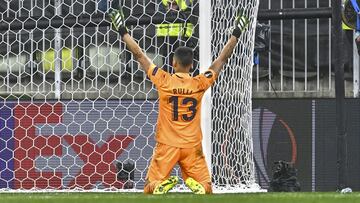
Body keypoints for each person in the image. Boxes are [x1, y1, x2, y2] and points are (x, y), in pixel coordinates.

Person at [109, 6, 249, 194]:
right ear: (192, 65)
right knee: (207, 189)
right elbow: (222, 59)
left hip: (167, 145)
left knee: (149, 189)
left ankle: (159, 184)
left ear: (173, 63)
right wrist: (236, 33)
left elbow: (139, 55)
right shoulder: (199, 83)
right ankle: (196, 184)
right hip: (192, 147)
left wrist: (122, 31)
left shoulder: (163, 80)